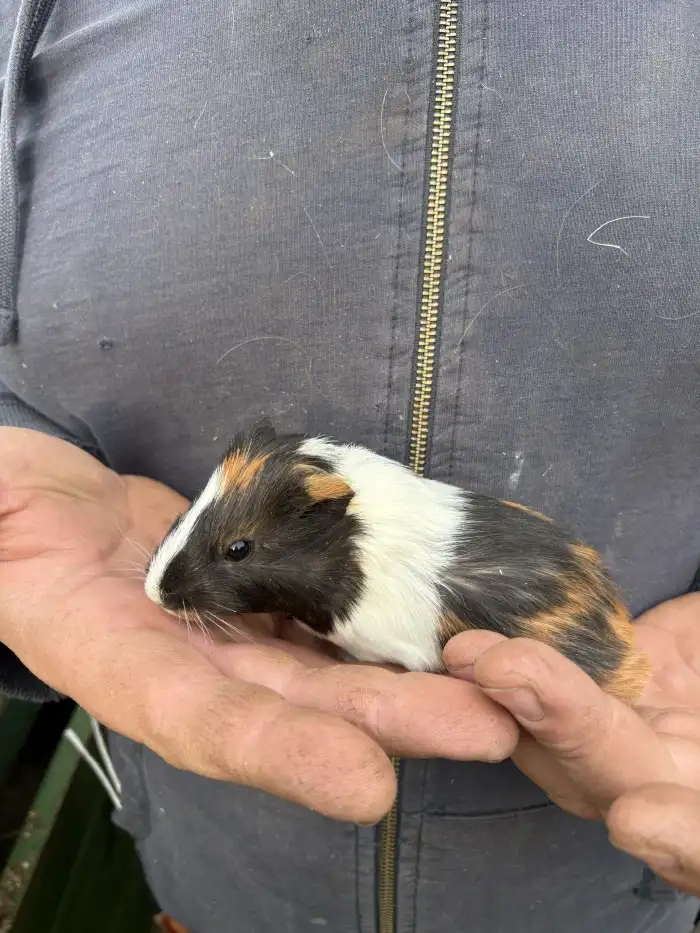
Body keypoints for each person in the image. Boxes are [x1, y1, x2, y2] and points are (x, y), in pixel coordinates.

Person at [1, 0, 700, 930]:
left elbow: (403, 642)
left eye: (236, 551)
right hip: (223, 855)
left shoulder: (377, 585)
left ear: (330, 514)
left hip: (580, 880)